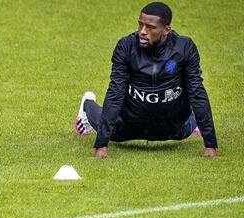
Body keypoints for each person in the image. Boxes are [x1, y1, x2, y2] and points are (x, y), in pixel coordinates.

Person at [74, 2, 218, 158]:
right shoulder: (126, 46)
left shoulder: (184, 48)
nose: (142, 31)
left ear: (166, 30)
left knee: (195, 101)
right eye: (140, 25)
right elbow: (116, 93)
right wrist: (101, 145)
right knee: (101, 117)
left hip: (175, 129)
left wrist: (210, 146)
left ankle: (196, 123)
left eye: (150, 27)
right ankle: (87, 104)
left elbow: (197, 93)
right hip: (128, 126)